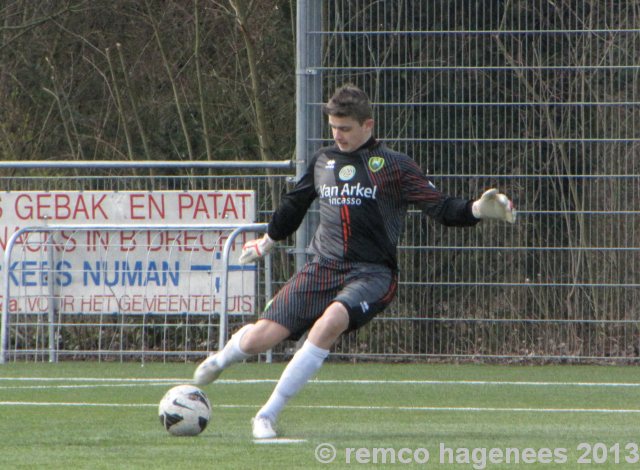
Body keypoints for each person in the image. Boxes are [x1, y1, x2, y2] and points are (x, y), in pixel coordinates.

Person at [193, 84, 516, 439]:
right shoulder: (323, 162)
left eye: (345, 128)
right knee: (259, 339)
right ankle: (222, 359)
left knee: (331, 320)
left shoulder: (395, 166)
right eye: (333, 127)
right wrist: (269, 240)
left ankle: (267, 415)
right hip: (322, 267)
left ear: (368, 125)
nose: (338, 135)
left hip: (373, 273)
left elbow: (438, 206)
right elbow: (294, 204)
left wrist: (475, 210)